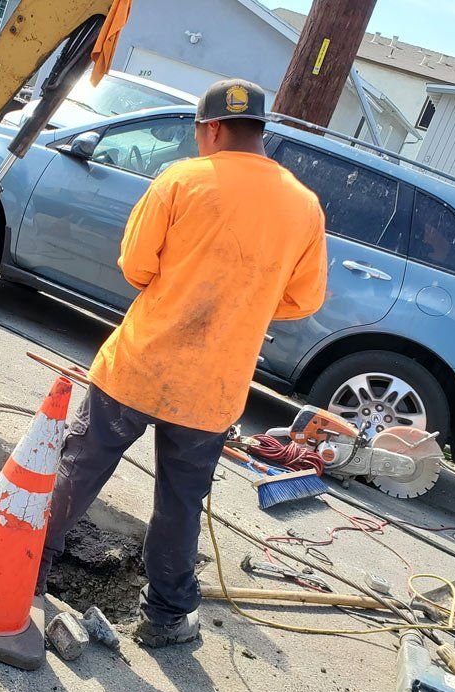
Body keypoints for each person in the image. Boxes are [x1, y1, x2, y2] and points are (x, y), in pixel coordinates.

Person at [39, 78, 328, 648]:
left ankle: (26, 567)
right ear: (258, 131)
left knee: (82, 463)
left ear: (212, 128)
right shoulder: (303, 205)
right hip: (213, 389)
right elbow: (304, 301)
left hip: (140, 365)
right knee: (180, 502)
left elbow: (136, 266)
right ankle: (168, 615)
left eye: (199, 132)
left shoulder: (181, 180)